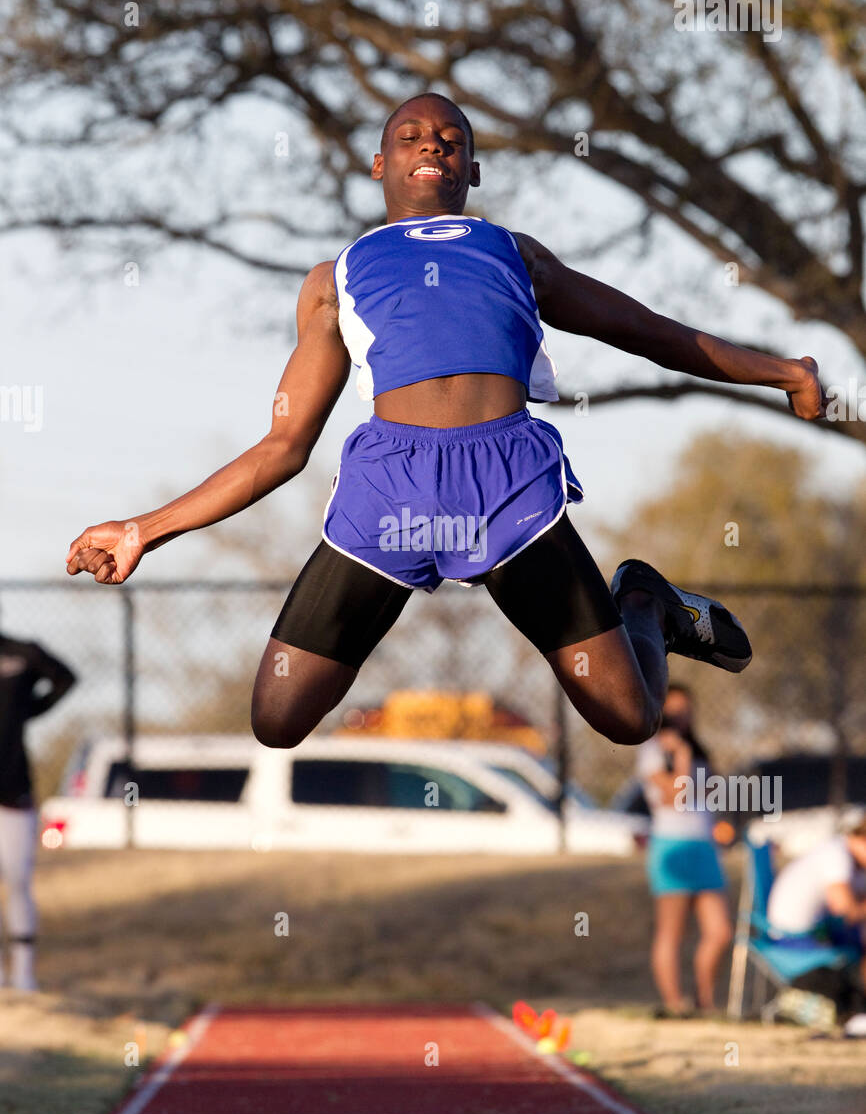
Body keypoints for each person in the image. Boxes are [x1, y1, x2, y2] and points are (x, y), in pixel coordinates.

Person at [65, 92, 825, 763]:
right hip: (386, 492)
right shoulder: (334, 280)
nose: (433, 145)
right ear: (377, 164)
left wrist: (782, 371)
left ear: (473, 171)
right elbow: (282, 447)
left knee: (629, 718)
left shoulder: (516, 255)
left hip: (506, 490)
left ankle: (642, 604)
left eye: (452, 139)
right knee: (276, 716)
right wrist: (144, 529)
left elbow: (648, 330)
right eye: (412, 136)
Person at [636, 683, 732, 1017]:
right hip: (671, 848)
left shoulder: (699, 750)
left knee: (720, 931)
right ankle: (675, 1004)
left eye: (687, 710)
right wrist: (680, 757)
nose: (682, 717)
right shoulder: (651, 750)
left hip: (704, 847)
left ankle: (705, 1001)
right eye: (675, 710)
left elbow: (711, 795)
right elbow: (677, 796)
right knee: (671, 932)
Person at [0, 611, 77, 990]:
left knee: (18, 879)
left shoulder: (22, 654)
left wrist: (30, 710)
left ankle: (24, 975)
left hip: (14, 787)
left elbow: (65, 679)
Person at [766, 814, 866, 1034]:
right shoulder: (836, 855)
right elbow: (845, 909)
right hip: (793, 939)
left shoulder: (853, 861)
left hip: (818, 936)